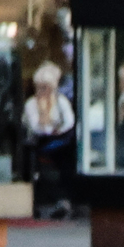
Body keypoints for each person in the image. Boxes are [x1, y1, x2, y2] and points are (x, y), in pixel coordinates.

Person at [24, 61, 75, 216]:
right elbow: (35, 127)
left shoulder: (60, 101)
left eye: (46, 88)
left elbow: (69, 121)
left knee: (69, 153)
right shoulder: (31, 104)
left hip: (59, 140)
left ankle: (66, 199)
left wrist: (57, 129)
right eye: (40, 87)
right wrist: (46, 119)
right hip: (40, 142)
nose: (43, 91)